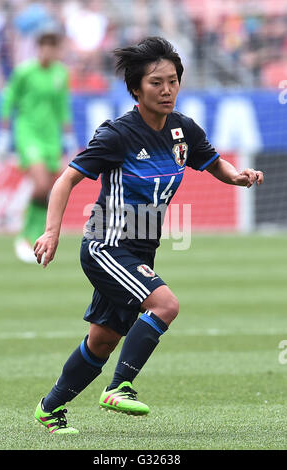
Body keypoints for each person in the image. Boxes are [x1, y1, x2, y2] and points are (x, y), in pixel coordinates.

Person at [33, 37, 264, 435]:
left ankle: (49, 409)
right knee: (165, 305)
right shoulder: (119, 134)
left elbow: (212, 163)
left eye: (173, 80)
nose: (167, 89)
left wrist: (237, 177)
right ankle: (119, 387)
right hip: (108, 245)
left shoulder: (182, 130)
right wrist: (52, 232)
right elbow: (66, 180)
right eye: (156, 82)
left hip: (140, 249)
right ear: (137, 89)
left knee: (102, 342)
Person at [0, 25, 78, 263]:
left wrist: (69, 138)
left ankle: (38, 233)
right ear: (39, 49)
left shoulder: (61, 73)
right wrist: (4, 132)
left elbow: (63, 107)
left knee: (48, 189)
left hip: (52, 138)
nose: (49, 52)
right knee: (40, 185)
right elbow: (8, 100)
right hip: (28, 134)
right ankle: (26, 233)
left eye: (54, 48)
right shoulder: (24, 72)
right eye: (45, 47)